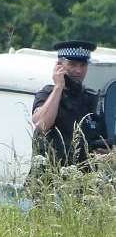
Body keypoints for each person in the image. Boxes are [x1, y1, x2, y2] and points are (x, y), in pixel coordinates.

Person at [32, 40, 109, 169]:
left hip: (82, 183)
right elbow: (42, 124)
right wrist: (58, 86)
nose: (78, 71)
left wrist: (104, 152)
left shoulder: (92, 99)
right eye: (72, 64)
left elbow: (104, 141)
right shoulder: (47, 94)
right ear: (59, 65)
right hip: (48, 181)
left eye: (83, 65)